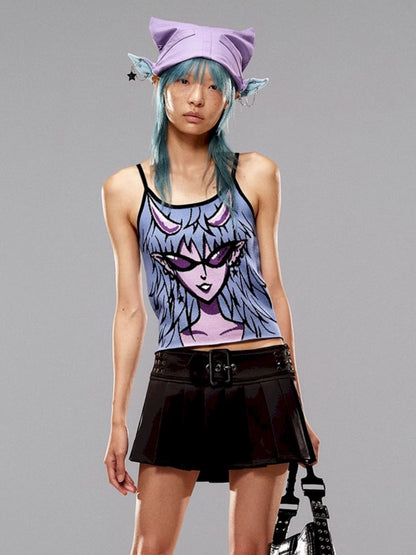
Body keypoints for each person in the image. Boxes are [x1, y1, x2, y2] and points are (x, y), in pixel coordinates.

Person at [102, 16, 320, 555]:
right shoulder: (125, 189)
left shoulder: (257, 173)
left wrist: (297, 403)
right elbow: (130, 310)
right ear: (158, 83)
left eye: (213, 86)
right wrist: (117, 419)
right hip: (178, 378)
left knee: (251, 551)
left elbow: (273, 287)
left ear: (231, 97)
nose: (196, 98)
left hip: (262, 378)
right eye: (183, 80)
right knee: (149, 549)